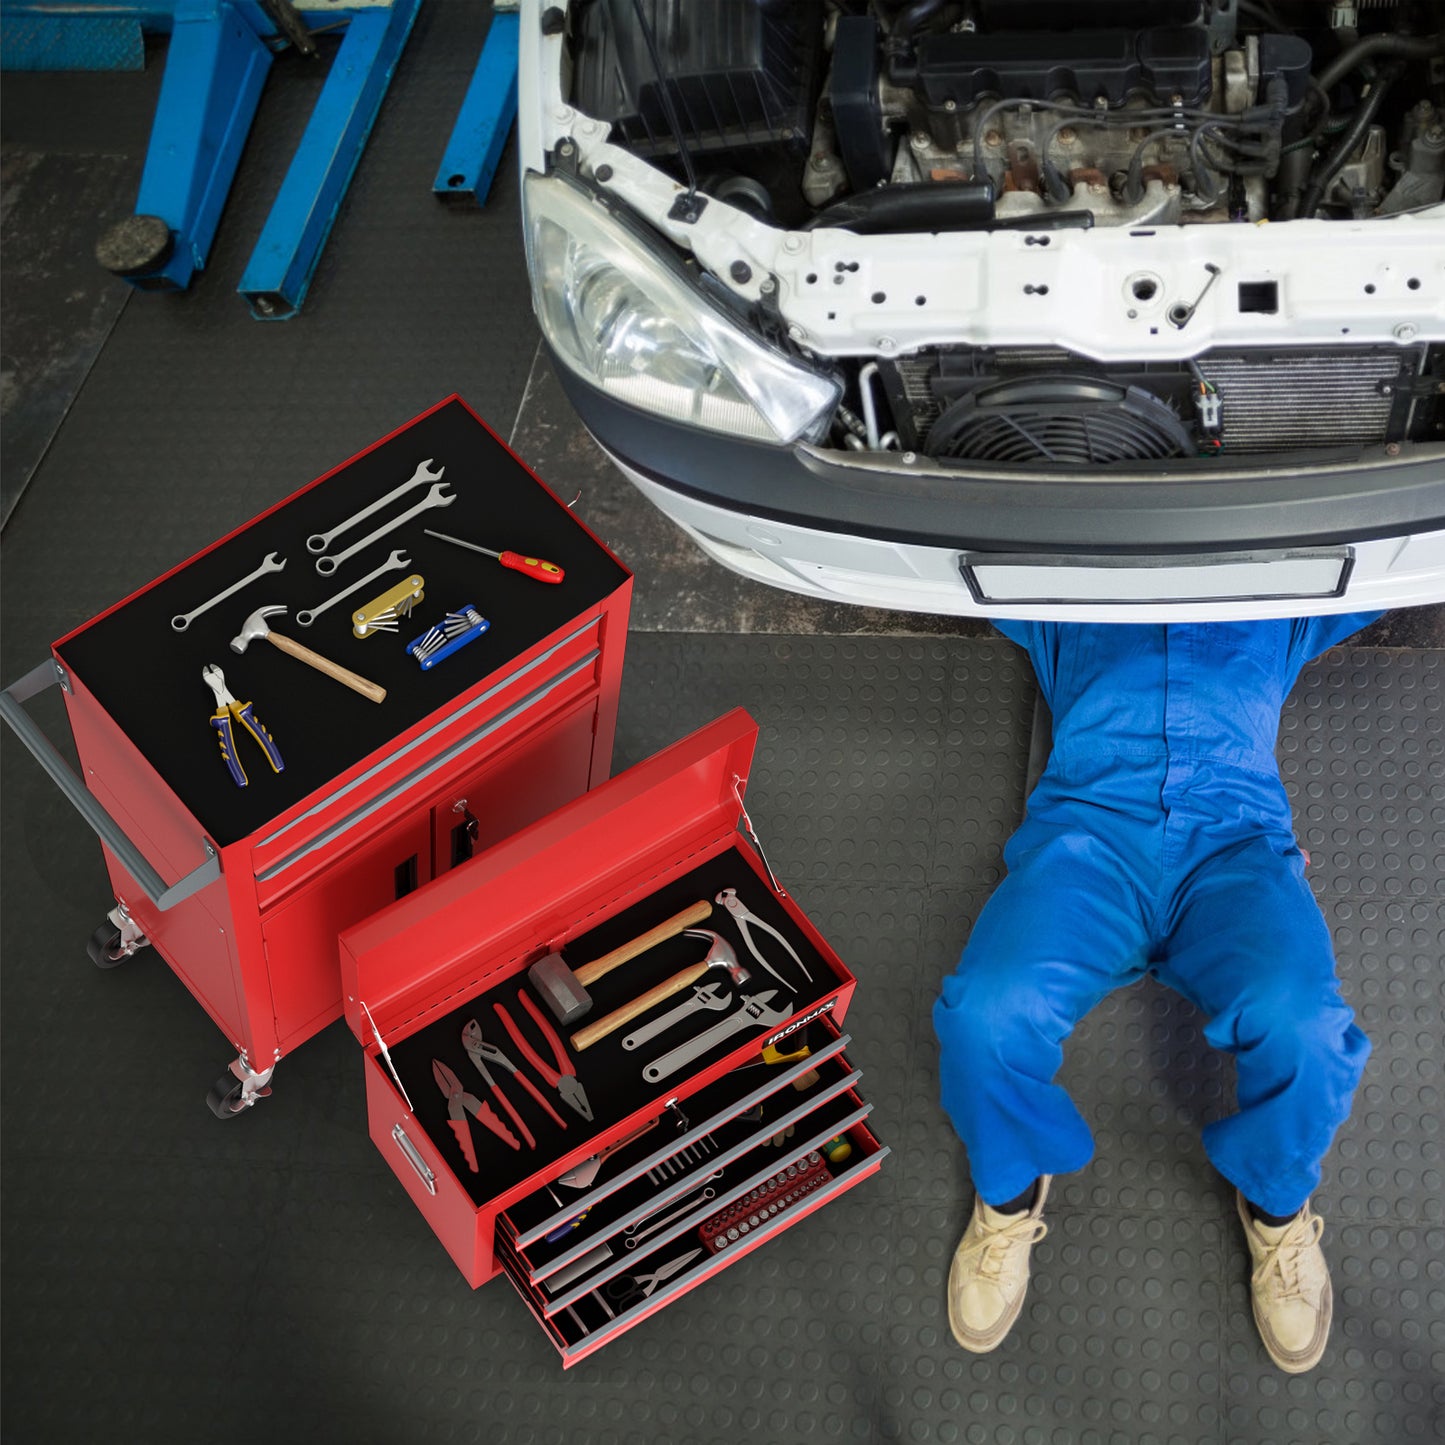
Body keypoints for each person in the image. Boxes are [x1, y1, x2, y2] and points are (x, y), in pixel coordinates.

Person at [933, 614, 1383, 1373]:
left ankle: (1276, 1207)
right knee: (984, 1012)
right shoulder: (1073, 590)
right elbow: (952, 546)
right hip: (1087, 843)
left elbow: (1388, 553)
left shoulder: (1274, 598)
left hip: (1231, 845)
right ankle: (1008, 1192)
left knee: (1304, 1026)